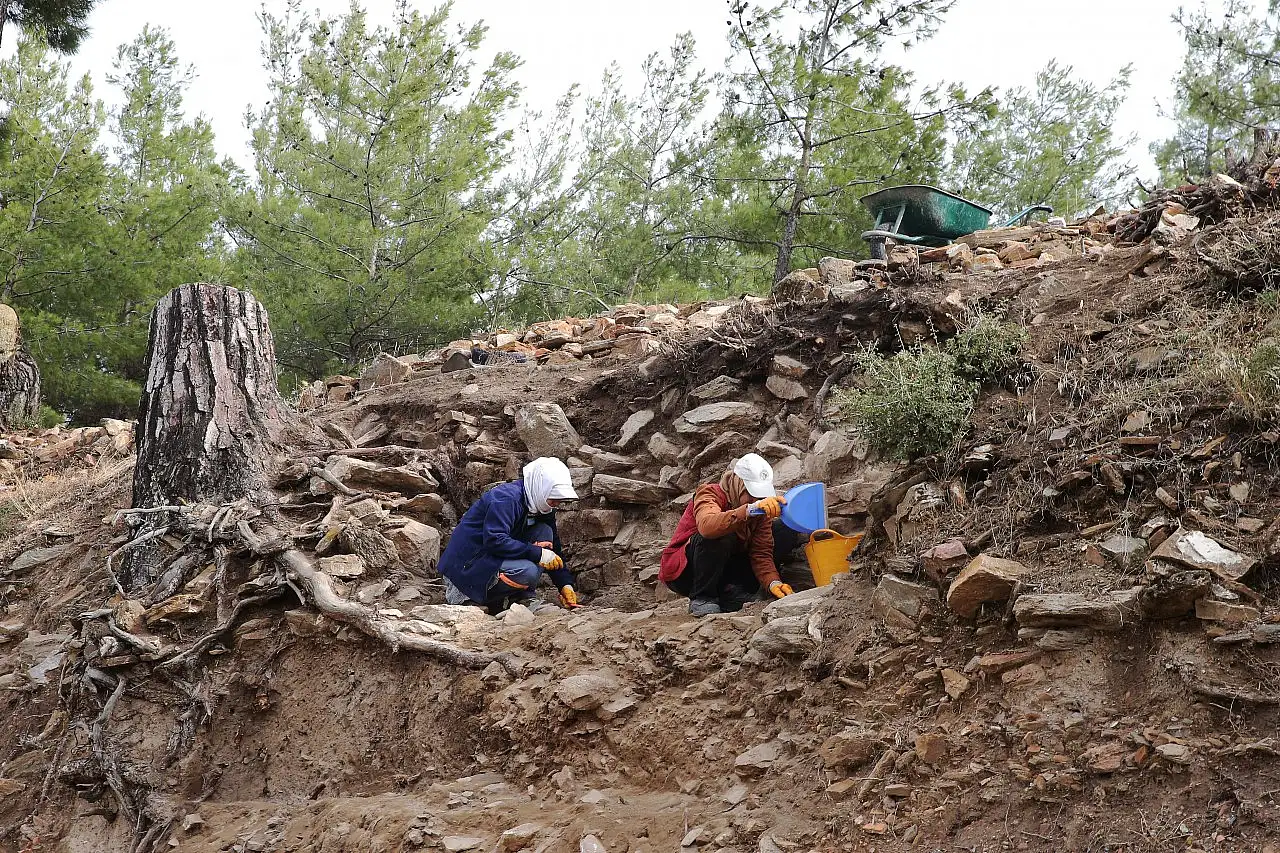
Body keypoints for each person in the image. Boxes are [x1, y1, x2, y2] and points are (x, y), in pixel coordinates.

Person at [659, 453, 796, 616]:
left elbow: (762, 552)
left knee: (784, 530)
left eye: (759, 496)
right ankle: (703, 598)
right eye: (750, 494)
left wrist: (773, 582)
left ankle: (730, 594)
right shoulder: (710, 493)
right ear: (738, 483)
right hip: (687, 572)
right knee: (722, 532)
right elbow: (707, 527)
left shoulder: (759, 509)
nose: (754, 500)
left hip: (725, 568)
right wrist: (748, 510)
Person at [439, 457, 581, 614]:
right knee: (528, 572)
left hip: (491, 558)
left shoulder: (541, 505)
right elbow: (495, 540)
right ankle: (479, 599)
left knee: (544, 531)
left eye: (559, 500)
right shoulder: (506, 499)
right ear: (542, 488)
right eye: (554, 499)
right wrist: (537, 553)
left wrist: (564, 585)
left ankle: (521, 598)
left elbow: (554, 550)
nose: (556, 504)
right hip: (468, 565)